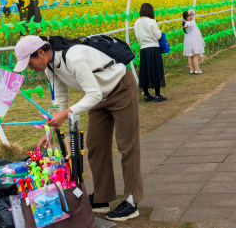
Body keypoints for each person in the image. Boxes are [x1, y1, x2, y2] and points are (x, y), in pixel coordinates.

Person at [12, 34, 143, 222]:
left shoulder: (74, 57)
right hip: (98, 97)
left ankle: (131, 201)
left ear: (40, 53)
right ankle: (102, 198)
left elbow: (93, 94)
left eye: (30, 64)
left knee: (127, 145)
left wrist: (65, 114)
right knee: (95, 145)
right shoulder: (51, 66)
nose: (31, 69)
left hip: (120, 88)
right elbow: (60, 100)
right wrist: (50, 130)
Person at [134, 3, 166, 102]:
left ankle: (147, 95)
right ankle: (157, 94)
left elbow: (138, 37)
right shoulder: (152, 22)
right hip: (153, 48)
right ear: (150, 11)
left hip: (143, 49)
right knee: (156, 70)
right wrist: (158, 28)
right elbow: (158, 36)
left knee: (145, 71)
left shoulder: (136, 22)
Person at [182, 9, 205, 74]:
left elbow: (193, 11)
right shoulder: (188, 23)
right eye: (188, 16)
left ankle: (191, 70)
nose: (191, 16)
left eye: (191, 15)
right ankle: (197, 69)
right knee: (195, 55)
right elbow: (188, 25)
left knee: (190, 56)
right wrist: (186, 26)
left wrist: (189, 11)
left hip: (189, 41)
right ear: (185, 18)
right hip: (193, 41)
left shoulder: (190, 21)